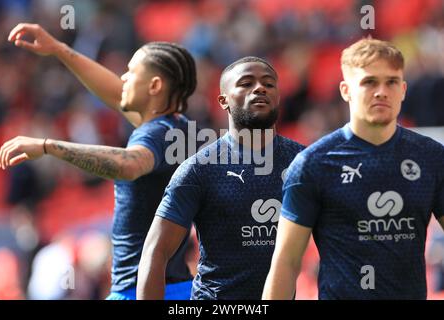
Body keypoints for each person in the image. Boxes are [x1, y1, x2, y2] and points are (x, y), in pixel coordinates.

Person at [0, 23, 198, 300]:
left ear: (154, 86)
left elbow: (129, 165)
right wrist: (59, 49)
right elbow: (116, 94)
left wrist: (49, 146)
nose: (123, 78)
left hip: (141, 290)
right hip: (175, 287)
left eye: (132, 72)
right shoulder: (179, 128)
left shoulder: (156, 132)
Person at [262, 38, 444, 300]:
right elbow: (286, 262)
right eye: (369, 82)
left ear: (403, 89)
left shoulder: (432, 157)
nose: (381, 91)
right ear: (346, 90)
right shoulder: (312, 164)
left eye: (391, 82)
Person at [136, 56, 305, 299]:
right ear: (223, 100)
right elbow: (155, 251)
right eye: (246, 83)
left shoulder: (303, 163)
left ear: (278, 96)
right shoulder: (199, 170)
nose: (260, 88)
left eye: (269, 84)